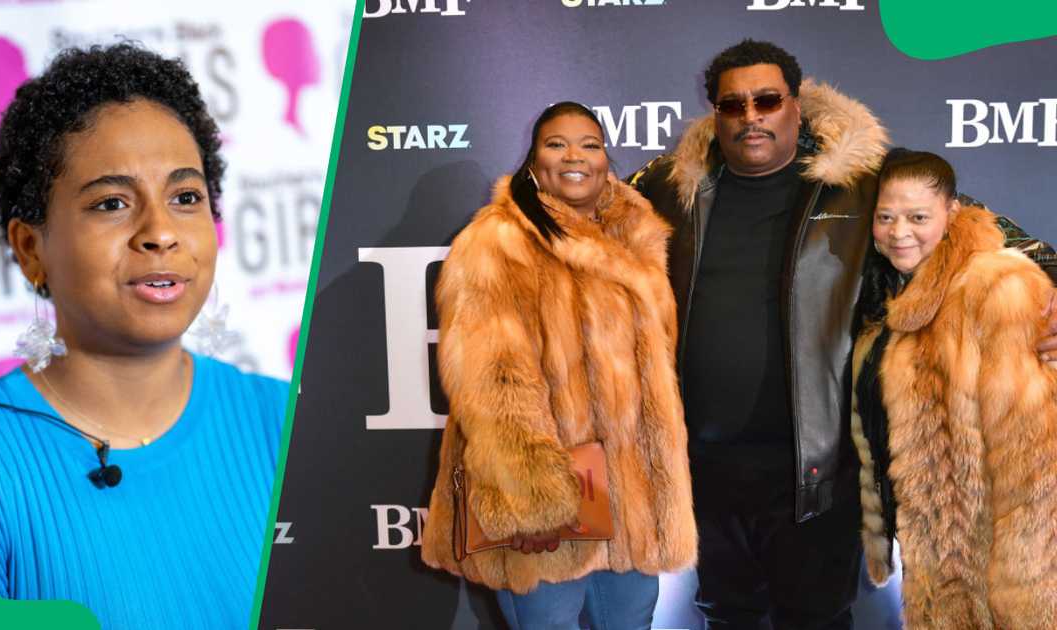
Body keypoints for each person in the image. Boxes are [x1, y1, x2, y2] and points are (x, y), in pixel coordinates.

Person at [627, 39, 1057, 629]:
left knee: (818, 618)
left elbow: (981, 230)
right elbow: (569, 208)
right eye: (733, 105)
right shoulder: (668, 188)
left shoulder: (862, 180)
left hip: (819, 471)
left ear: (796, 106)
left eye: (767, 100)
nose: (751, 116)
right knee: (726, 616)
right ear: (715, 114)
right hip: (703, 468)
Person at [0, 44, 287, 629]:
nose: (160, 233)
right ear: (31, 248)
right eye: (112, 203)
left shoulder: (285, 422)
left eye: (185, 197)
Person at [420, 102, 697, 629]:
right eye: (556, 144)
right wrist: (532, 497)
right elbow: (491, 379)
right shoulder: (497, 241)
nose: (575, 156)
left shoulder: (637, 237)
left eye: (589, 144)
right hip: (549, 498)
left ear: (606, 158)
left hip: (630, 496)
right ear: (533, 159)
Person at [852, 149, 1057, 630]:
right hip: (934, 552)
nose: (899, 232)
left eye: (918, 217)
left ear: (953, 211)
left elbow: (1034, 455)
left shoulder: (996, 285)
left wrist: (1026, 577)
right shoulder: (885, 296)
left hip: (994, 557)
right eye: (886, 217)